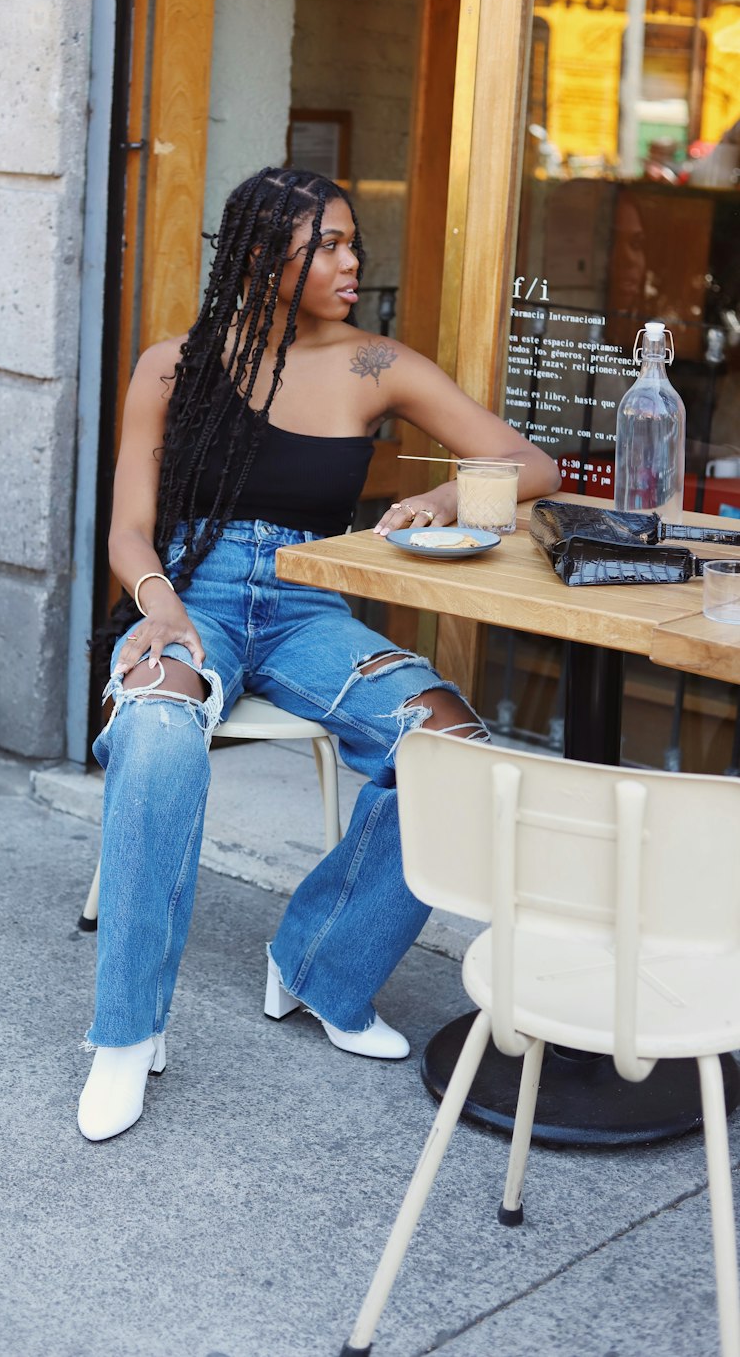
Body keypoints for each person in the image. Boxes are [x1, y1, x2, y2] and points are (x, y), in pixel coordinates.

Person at [78, 167, 560, 1142]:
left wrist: (446, 498)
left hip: (308, 608)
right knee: (161, 739)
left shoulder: (375, 366)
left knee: (450, 746)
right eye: (328, 246)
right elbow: (128, 530)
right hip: (190, 594)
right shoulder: (172, 367)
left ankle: (318, 966)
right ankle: (125, 1038)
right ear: (263, 260)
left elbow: (527, 462)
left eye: (353, 245)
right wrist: (159, 604)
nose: (351, 263)